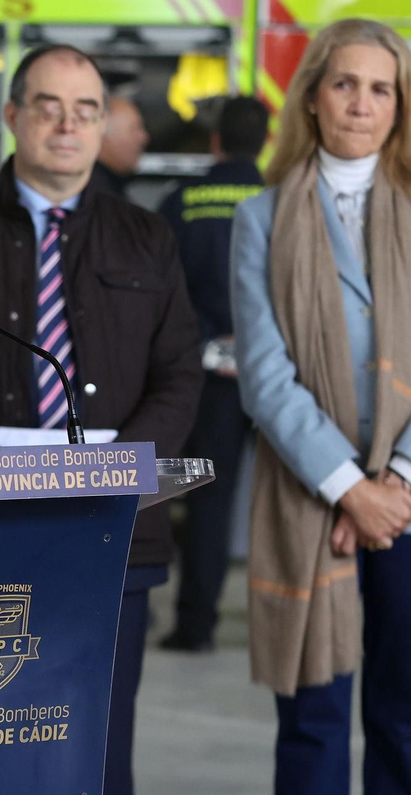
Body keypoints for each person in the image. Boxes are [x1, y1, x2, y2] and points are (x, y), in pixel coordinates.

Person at [0, 44, 201, 795]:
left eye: (86, 110)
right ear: (13, 116)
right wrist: (2, 480)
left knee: (99, 750)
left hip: (117, 536)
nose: (67, 126)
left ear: (104, 124)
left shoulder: (148, 238)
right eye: (48, 106)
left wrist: (113, 479)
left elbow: (178, 376)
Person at [232, 18, 411, 795]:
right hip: (312, 500)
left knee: (406, 713)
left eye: (381, 88)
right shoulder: (262, 217)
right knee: (310, 716)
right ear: (311, 97)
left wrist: (397, 488)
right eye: (344, 84)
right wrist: (349, 487)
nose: (360, 104)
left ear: (402, 105)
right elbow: (264, 375)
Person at [155, 95, 269, 653]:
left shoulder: (183, 201)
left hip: (205, 375)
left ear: (215, 139)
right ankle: (283, 628)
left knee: (209, 502)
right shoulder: (280, 200)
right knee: (284, 502)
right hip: (274, 375)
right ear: (265, 141)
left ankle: (195, 626)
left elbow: (160, 287)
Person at [91, 95, 149, 197]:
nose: (143, 138)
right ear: (104, 134)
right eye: (134, 128)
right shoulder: (93, 195)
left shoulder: (110, 187)